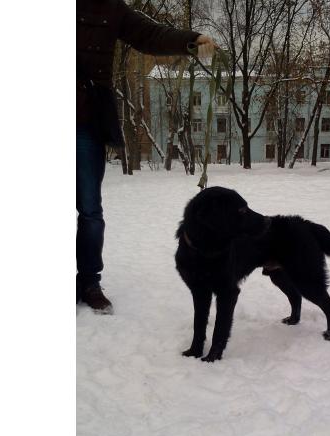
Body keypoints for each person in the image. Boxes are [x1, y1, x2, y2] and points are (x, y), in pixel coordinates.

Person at [77, 0, 215, 314]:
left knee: (89, 209)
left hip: (85, 120)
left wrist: (191, 40)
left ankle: (88, 281)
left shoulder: (109, 9)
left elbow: (149, 34)